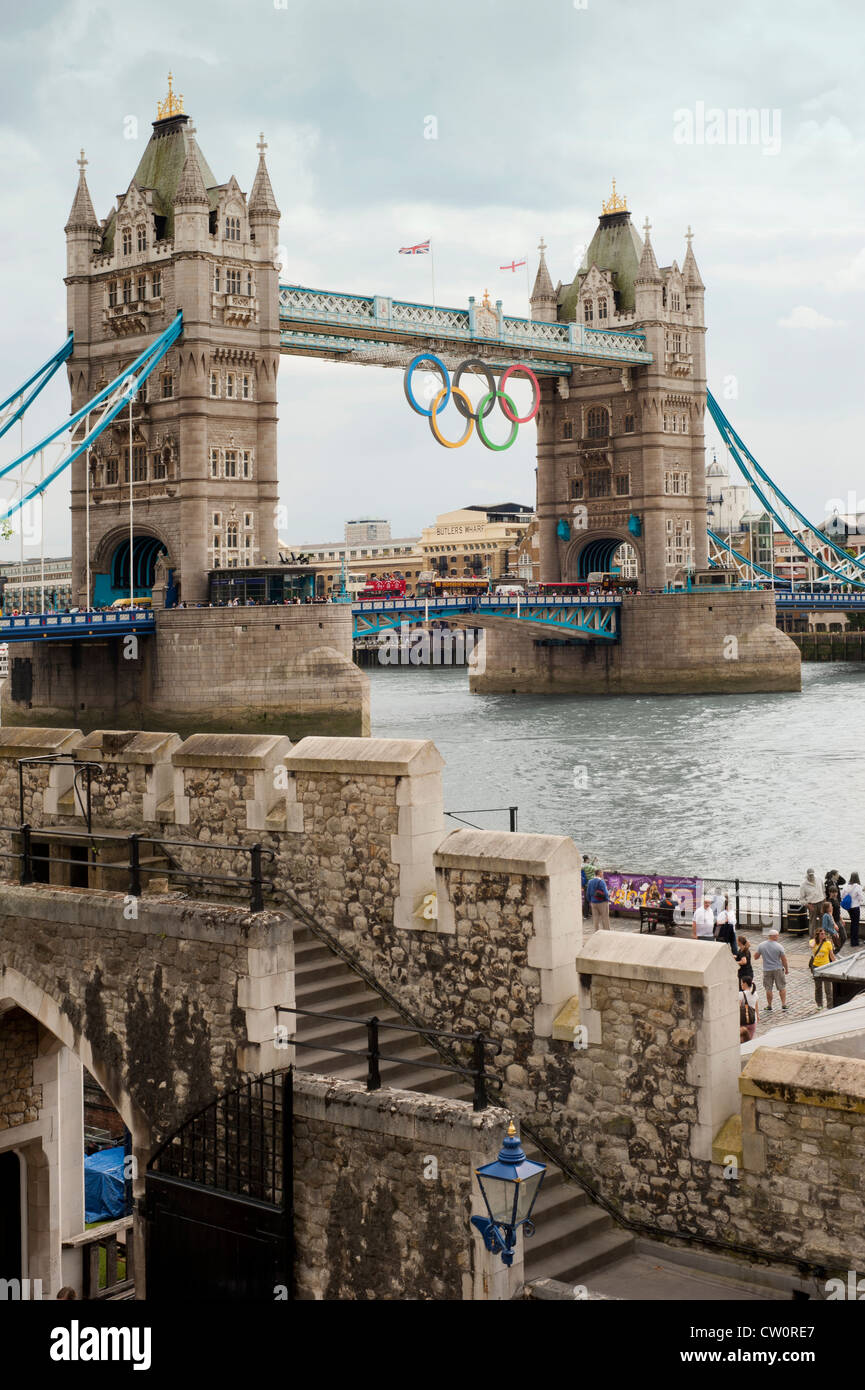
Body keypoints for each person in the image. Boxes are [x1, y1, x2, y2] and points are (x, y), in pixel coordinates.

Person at [753, 928, 789, 1011]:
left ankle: (769, 1005)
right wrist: (786, 969)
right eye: (777, 936)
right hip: (778, 969)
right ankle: (783, 1004)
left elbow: (755, 957)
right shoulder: (779, 946)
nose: (778, 937)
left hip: (767, 969)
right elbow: (784, 960)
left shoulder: (761, 945)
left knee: (768, 988)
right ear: (774, 936)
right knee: (782, 987)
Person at [808, 926, 835, 1009]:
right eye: (822, 934)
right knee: (818, 987)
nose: (824, 935)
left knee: (828, 987)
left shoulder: (828, 943)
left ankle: (830, 1005)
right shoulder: (813, 941)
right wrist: (816, 940)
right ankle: (819, 1004)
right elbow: (811, 946)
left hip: (826, 966)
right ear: (818, 935)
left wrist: (835, 964)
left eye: (824, 934)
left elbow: (832, 955)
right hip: (816, 966)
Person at [799, 868, 823, 933]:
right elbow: (801, 899)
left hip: (821, 902)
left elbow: (824, 891)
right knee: (813, 922)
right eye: (810, 875)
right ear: (807, 875)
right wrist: (808, 905)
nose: (811, 876)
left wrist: (824, 902)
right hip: (812, 904)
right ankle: (812, 938)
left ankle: (822, 936)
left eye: (812, 875)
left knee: (823, 921)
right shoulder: (803, 885)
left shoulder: (819, 879)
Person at [844, 871, 863, 948]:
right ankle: (854, 942)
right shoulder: (858, 886)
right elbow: (861, 898)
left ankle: (852, 940)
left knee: (852, 923)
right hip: (855, 907)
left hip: (849, 907)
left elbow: (842, 895)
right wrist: (857, 899)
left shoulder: (846, 886)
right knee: (855, 924)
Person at [739, 975, 759, 1041]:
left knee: (742, 1040)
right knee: (750, 1040)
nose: (740, 984)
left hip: (743, 1020)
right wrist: (757, 1017)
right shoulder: (755, 993)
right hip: (753, 1020)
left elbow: (738, 1007)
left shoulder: (741, 994)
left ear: (744, 983)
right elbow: (756, 1007)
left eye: (741, 983)